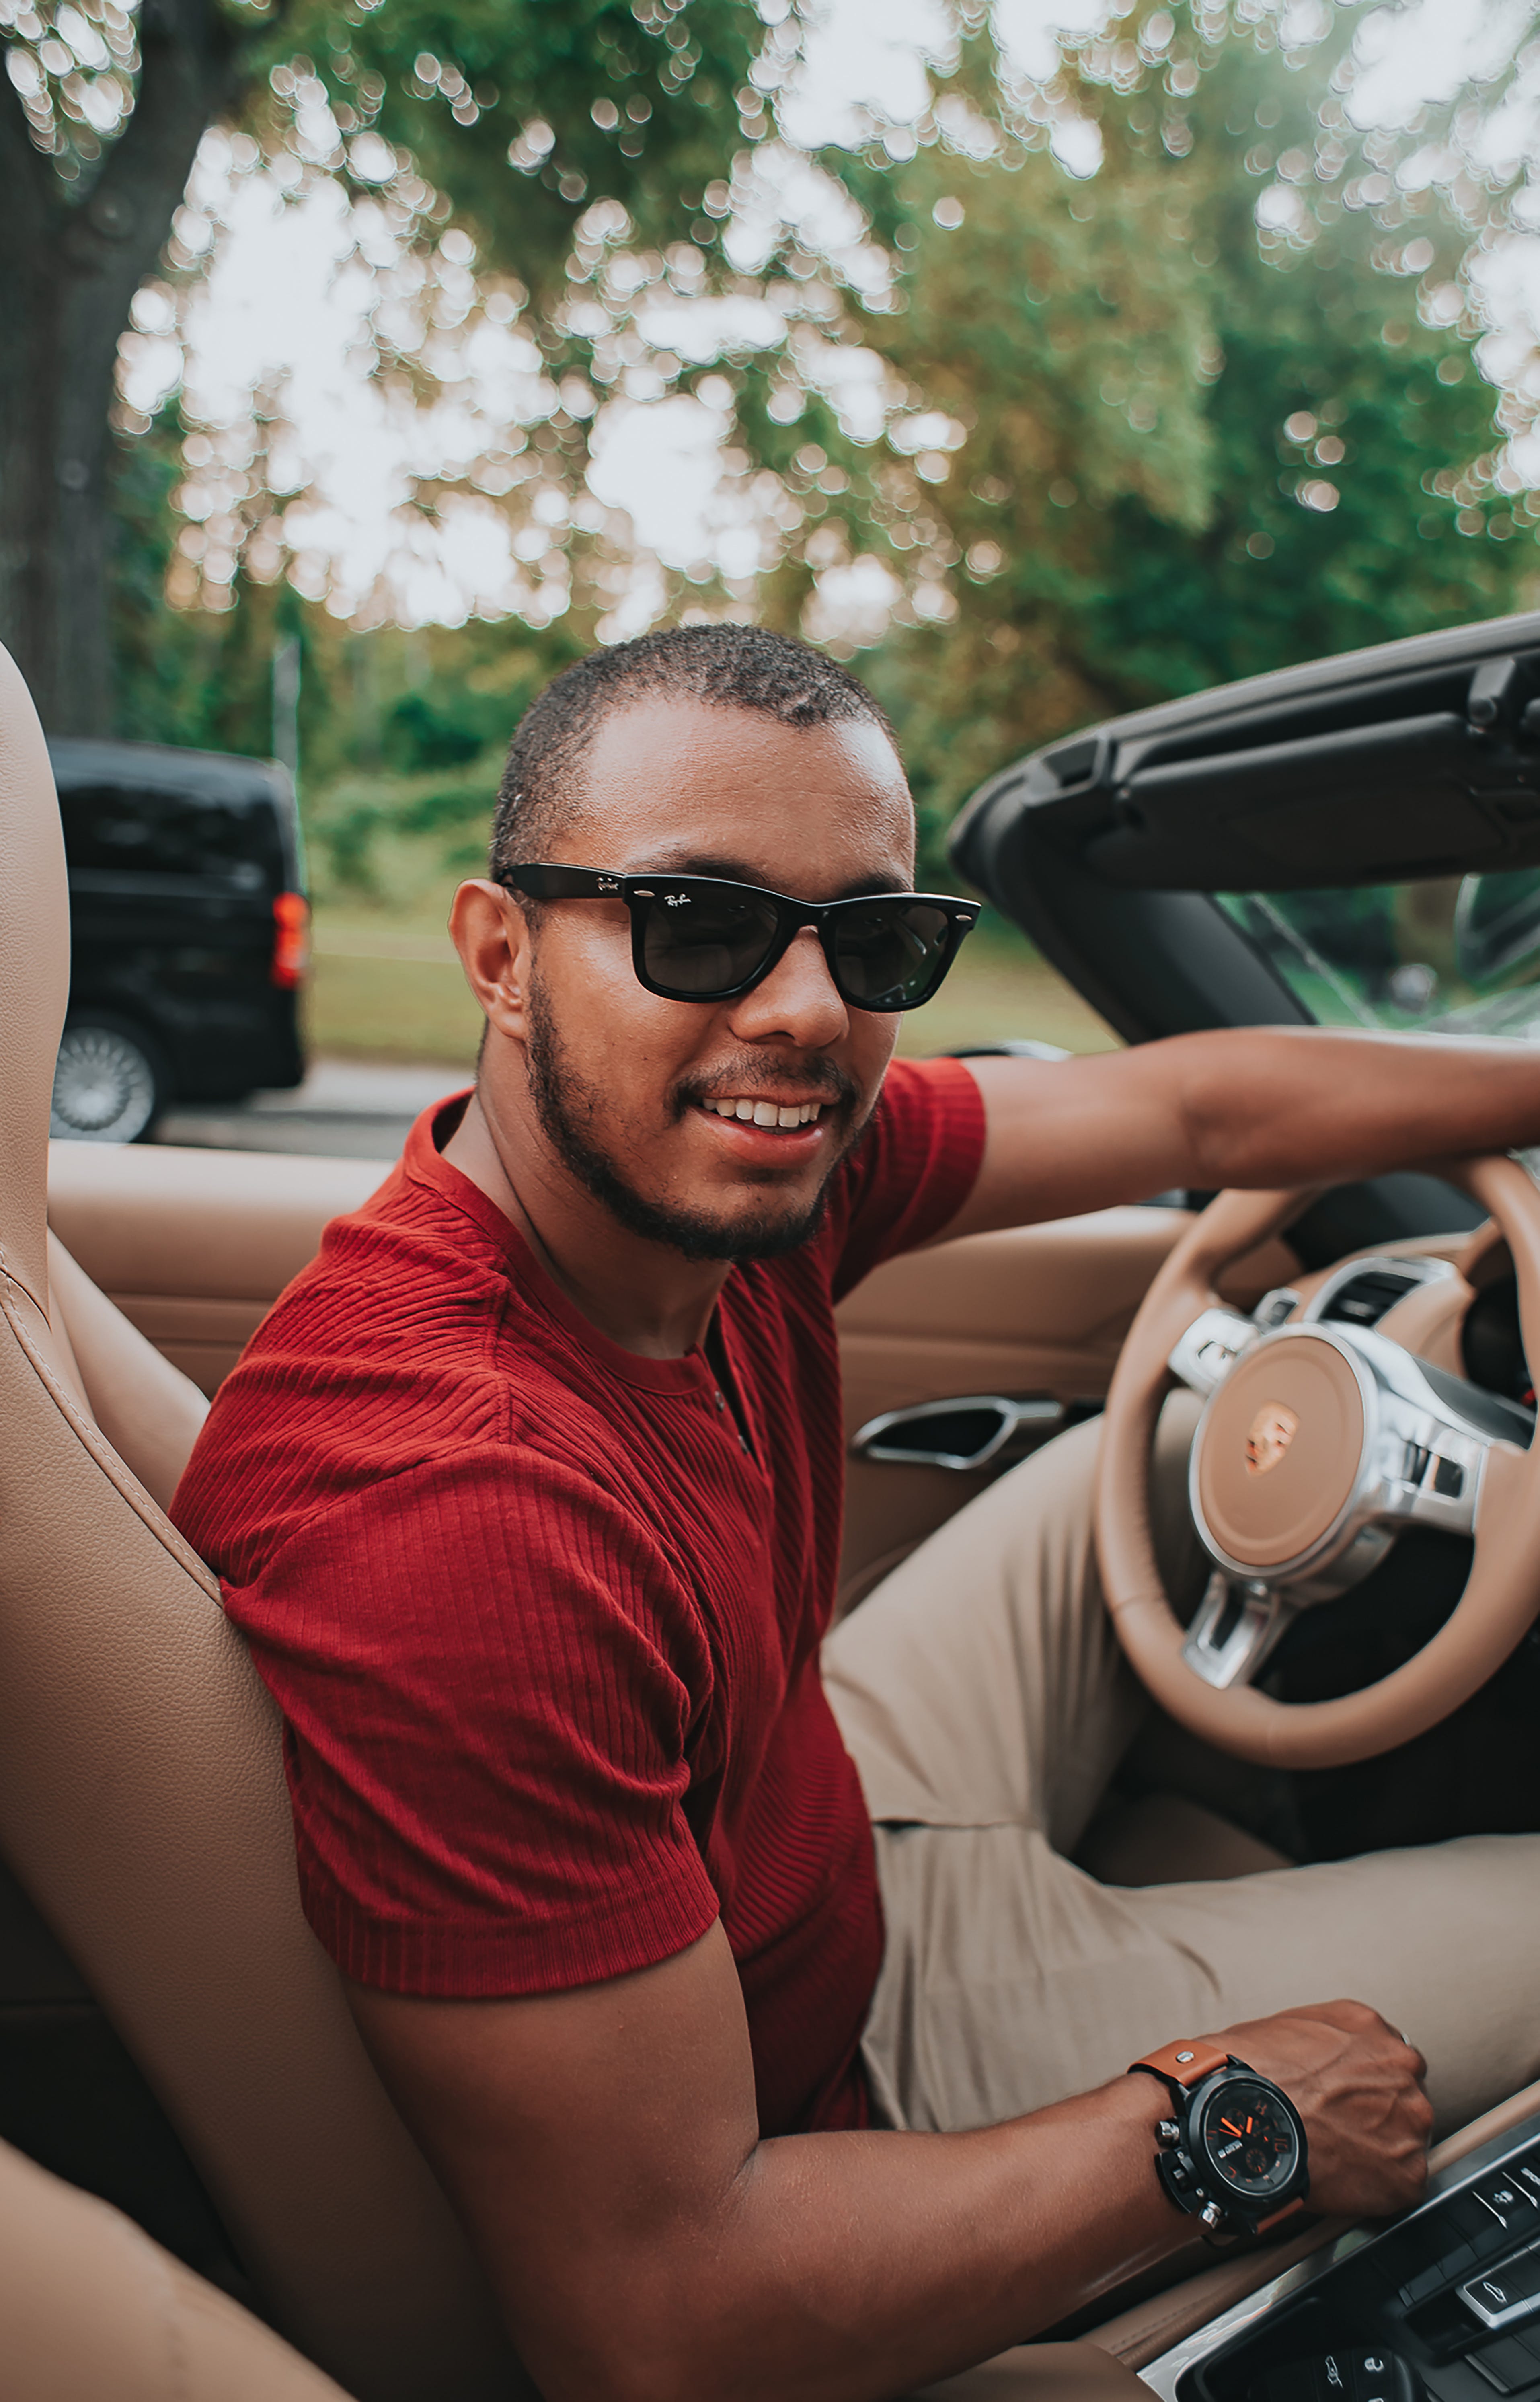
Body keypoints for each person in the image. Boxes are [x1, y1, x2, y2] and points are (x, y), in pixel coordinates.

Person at [173, 625, 1540, 2402]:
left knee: (1152, 1442)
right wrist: (1229, 2119)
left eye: (876, 938)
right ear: (498, 954)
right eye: (699, 923)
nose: (806, 1010)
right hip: (848, 2078)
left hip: (799, 1807)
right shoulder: (464, 1517)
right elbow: (660, 2324)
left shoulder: (734, 1155)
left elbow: (1193, 1099)